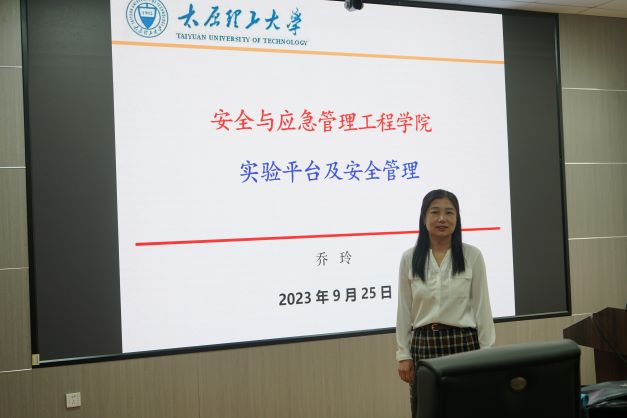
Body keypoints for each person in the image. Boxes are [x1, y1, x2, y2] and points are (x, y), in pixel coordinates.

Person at [396, 189, 495, 418]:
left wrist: (488, 355)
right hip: (424, 346)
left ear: (457, 219)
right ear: (424, 218)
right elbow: (404, 310)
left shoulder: (472, 256)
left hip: (464, 345)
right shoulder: (409, 258)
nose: (442, 218)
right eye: (435, 212)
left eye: (449, 212)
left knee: (467, 409)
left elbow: (483, 307)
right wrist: (403, 354)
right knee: (427, 411)